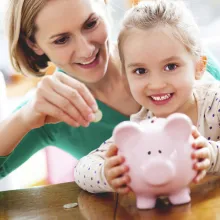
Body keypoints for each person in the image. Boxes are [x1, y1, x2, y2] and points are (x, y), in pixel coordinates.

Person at [0, 0, 219, 179]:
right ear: (34, 44)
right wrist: (24, 118)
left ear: (104, 5)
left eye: (90, 24)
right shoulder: (49, 109)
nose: (86, 50)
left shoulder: (178, 50)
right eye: (62, 40)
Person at [74, 0, 220, 194]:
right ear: (126, 78)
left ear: (199, 67)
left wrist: (212, 154)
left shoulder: (215, 103)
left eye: (171, 66)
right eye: (141, 71)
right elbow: (82, 169)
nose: (157, 84)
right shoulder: (140, 128)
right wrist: (106, 173)